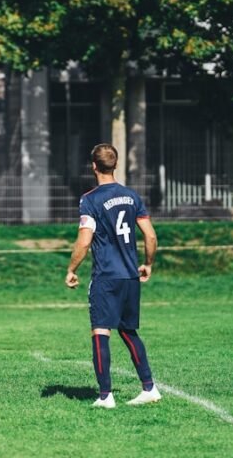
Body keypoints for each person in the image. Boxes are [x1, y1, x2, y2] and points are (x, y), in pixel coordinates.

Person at [65, 144, 159, 409]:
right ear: (114, 165)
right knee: (129, 331)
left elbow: (84, 242)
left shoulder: (90, 199)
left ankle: (105, 396)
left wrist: (72, 269)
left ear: (93, 166)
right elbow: (150, 235)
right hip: (130, 275)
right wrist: (148, 264)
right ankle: (149, 388)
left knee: (100, 332)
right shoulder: (131, 196)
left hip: (106, 276)